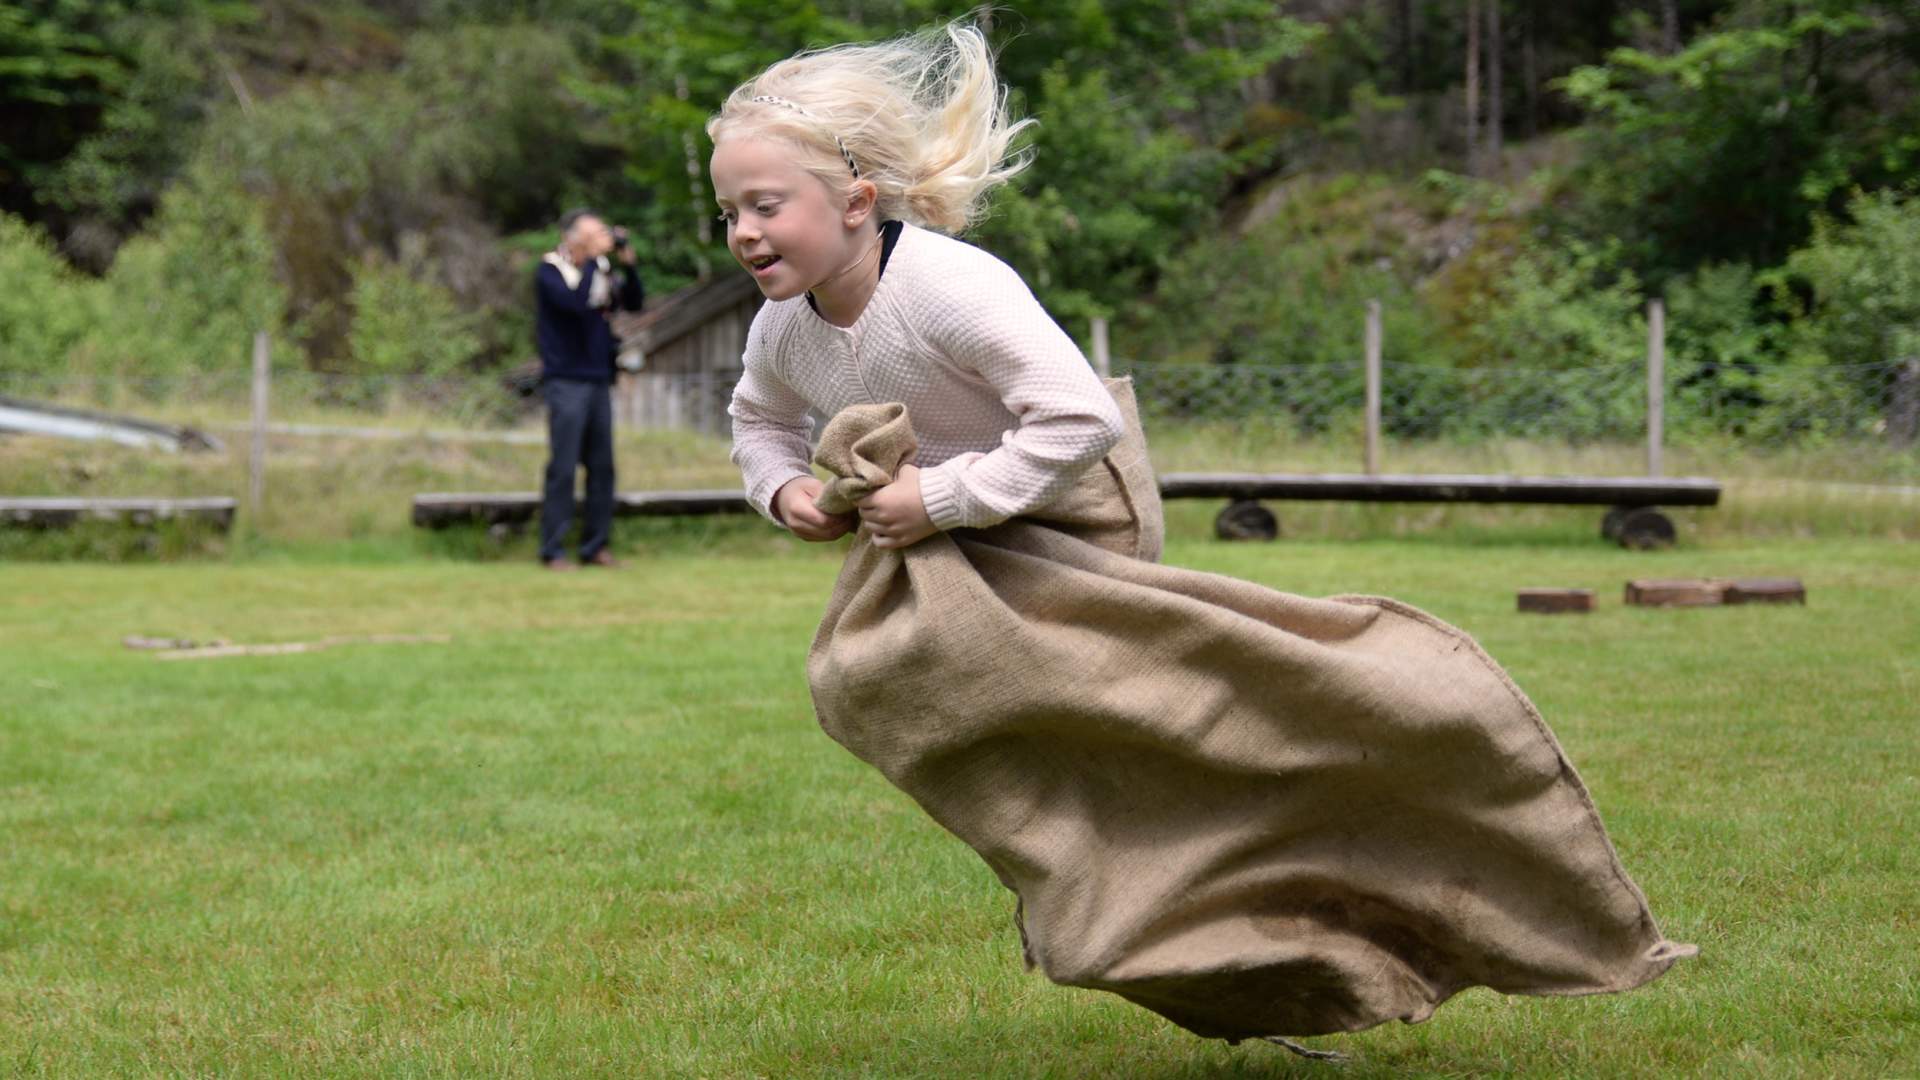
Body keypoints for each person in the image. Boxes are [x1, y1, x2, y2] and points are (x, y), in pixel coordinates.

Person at [710, 20, 1690, 1055]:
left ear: (857, 202)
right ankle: (1128, 892)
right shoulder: (785, 328)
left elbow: (1080, 422)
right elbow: (757, 423)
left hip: (1070, 517)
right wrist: (788, 497)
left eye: (766, 205)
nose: (742, 231)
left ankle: (1396, 742)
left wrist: (943, 499)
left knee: (1182, 732)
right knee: (871, 687)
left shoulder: (949, 289)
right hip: (960, 543)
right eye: (729, 210)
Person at [533, 209, 643, 570]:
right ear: (573, 237)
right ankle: (553, 549)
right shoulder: (549, 271)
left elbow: (634, 302)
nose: (604, 239)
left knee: (602, 466)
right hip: (565, 379)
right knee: (563, 466)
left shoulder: (603, 270)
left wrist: (628, 264)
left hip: (598, 378)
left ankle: (595, 546)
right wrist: (595, 261)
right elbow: (577, 306)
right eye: (596, 233)